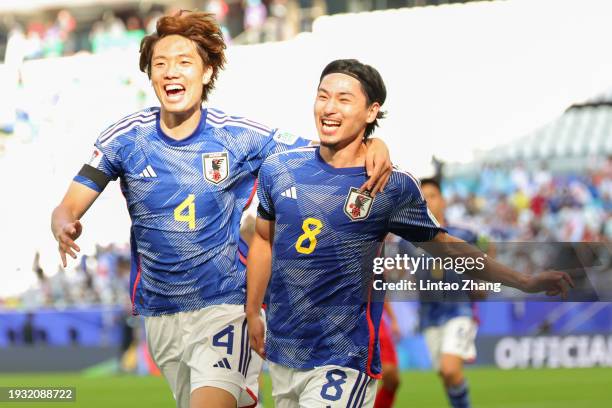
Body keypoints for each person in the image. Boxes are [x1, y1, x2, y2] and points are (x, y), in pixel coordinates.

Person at [50, 12, 392, 408]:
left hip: (225, 304)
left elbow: (325, 155)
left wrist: (373, 144)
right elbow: (68, 205)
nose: (170, 72)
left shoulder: (238, 136)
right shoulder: (125, 138)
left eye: (183, 62)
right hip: (160, 313)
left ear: (207, 71)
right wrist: (63, 224)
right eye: (160, 64)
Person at [246, 58, 574, 407]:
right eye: (322, 96)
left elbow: (447, 248)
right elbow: (264, 239)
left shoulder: (392, 187)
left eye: (343, 99)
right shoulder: (280, 168)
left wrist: (523, 281)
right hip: (285, 351)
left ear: (372, 112)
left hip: (344, 356)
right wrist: (254, 310)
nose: (329, 107)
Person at [415, 177, 490, 408]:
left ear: (444, 201)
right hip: (428, 315)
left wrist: (482, 281)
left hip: (459, 309)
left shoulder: (465, 232)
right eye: (423, 197)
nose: (428, 202)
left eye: (433, 196)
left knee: (449, 368)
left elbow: (487, 250)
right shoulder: (408, 238)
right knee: (447, 376)